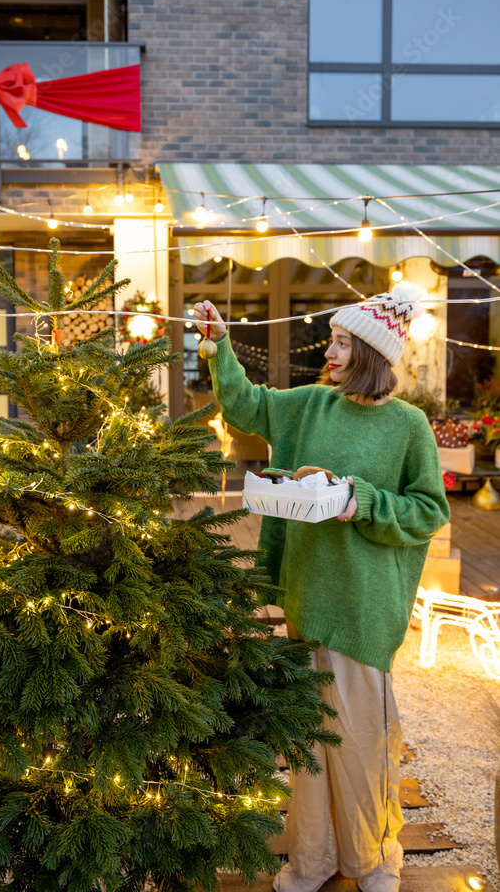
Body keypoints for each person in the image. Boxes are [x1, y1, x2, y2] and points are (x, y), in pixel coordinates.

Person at [192, 284, 450, 892]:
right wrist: (219, 347)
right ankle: (311, 860)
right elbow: (246, 406)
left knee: (359, 746)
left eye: (340, 343)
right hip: (307, 593)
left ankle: (370, 861)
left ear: (368, 351)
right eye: (331, 342)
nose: (328, 354)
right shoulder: (310, 404)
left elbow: (427, 511)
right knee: (307, 745)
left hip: (363, 605)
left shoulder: (408, 427)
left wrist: (357, 498)